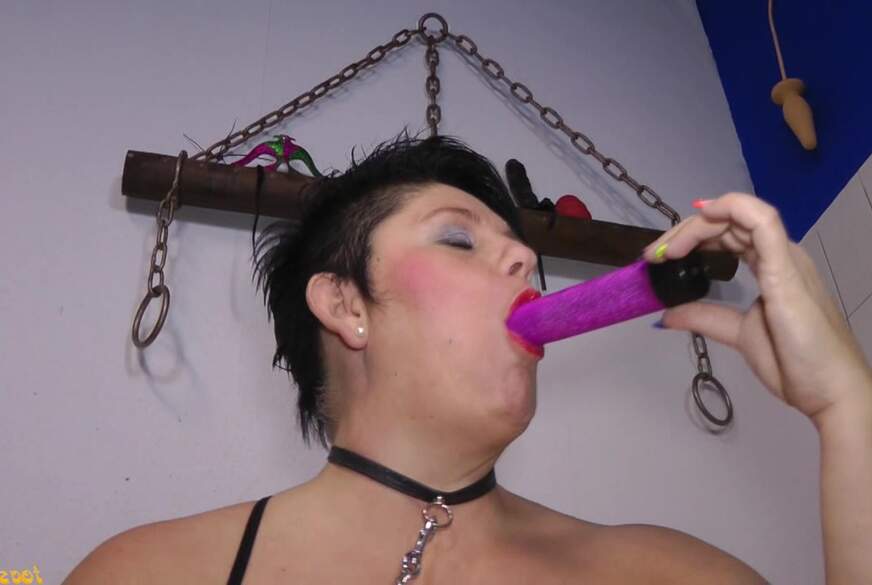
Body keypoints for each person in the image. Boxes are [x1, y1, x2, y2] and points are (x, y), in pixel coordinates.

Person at [64, 135, 871, 584]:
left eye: (522, 250)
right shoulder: (144, 573)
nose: (524, 262)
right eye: (459, 238)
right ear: (345, 304)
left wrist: (845, 404)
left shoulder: (669, 574)